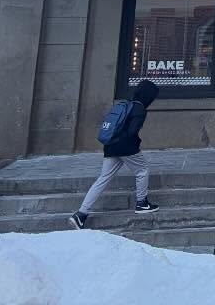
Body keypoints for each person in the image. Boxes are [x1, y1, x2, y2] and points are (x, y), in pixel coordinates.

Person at [68, 79, 160, 229]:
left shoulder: (125, 104)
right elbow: (132, 132)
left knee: (103, 178)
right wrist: (135, 143)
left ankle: (81, 214)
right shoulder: (140, 109)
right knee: (142, 170)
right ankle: (142, 203)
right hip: (126, 146)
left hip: (110, 145)